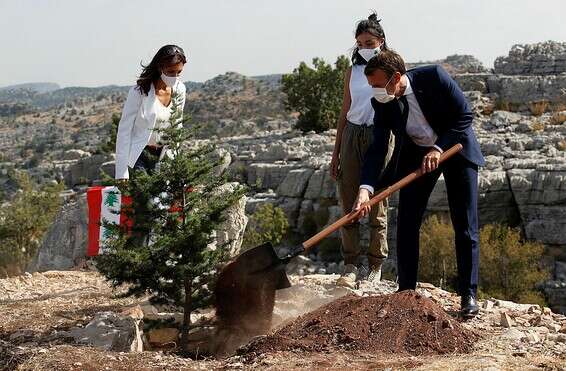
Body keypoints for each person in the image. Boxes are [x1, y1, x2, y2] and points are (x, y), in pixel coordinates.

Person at [354, 50, 485, 318]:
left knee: (465, 225)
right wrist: (365, 189)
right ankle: (406, 291)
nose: (375, 91)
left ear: (397, 78)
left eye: (378, 85)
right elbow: (378, 148)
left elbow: (464, 116)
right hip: (416, 157)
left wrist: (438, 148)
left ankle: (468, 296)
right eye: (371, 86)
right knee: (407, 222)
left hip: (455, 149)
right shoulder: (384, 102)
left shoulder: (434, 77)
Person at [330, 13, 393, 288]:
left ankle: (376, 264)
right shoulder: (353, 71)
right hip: (352, 134)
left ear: (380, 41)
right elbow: (345, 109)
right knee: (349, 198)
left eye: (369, 42)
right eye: (360, 44)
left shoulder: (391, 67)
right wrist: (336, 152)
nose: (365, 48)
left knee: (377, 198)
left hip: (379, 133)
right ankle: (350, 263)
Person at [115, 44, 187, 180]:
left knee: (164, 200)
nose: (175, 77)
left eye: (179, 72)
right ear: (160, 67)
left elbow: (177, 126)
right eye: (171, 72)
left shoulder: (180, 90)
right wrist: (121, 174)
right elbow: (124, 132)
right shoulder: (139, 92)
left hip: (164, 156)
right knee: (147, 200)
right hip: (139, 156)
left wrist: (177, 160)